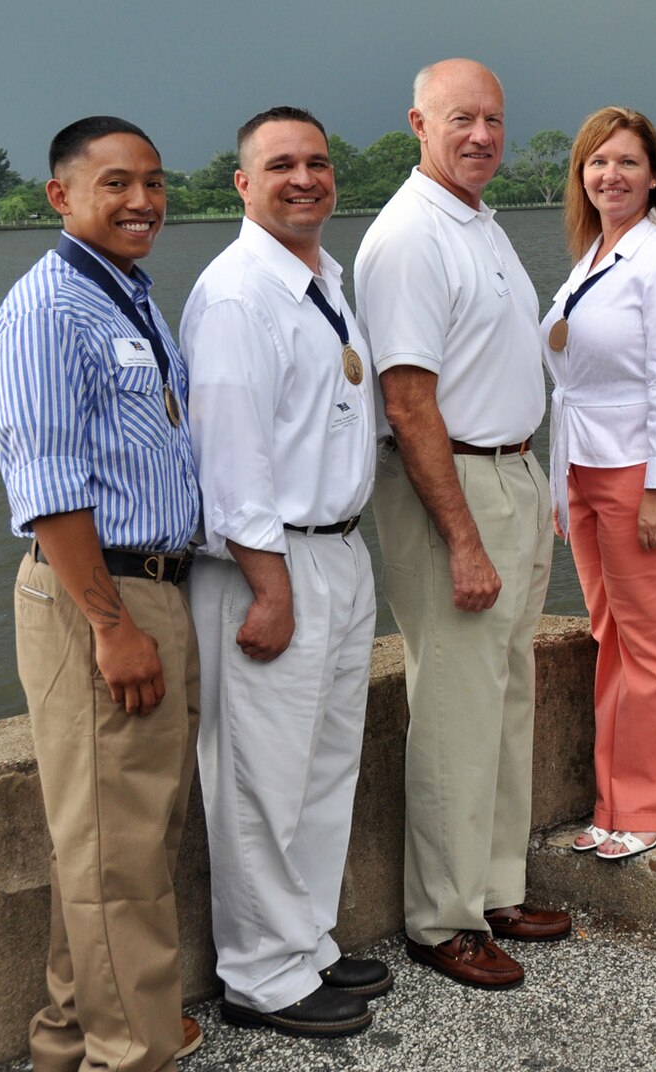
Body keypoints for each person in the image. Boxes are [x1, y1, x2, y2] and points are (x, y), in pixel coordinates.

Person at [0, 116, 204, 1070]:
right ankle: (133, 1054)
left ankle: (69, 1040)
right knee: (117, 858)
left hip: (151, 584)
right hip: (99, 596)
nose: (141, 202)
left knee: (122, 835)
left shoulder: (127, 298)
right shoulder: (45, 311)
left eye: (153, 182)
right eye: (115, 183)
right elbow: (49, 489)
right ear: (60, 196)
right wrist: (110, 626)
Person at [354, 59, 571, 990]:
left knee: (506, 691)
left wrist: (532, 490)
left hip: (509, 470)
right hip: (453, 488)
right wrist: (466, 538)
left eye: (493, 118)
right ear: (417, 122)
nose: (481, 135)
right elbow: (408, 404)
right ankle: (441, 918)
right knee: (454, 705)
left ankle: (494, 886)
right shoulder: (408, 237)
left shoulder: (477, 223)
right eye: (460, 119)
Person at [182, 108, 388, 1037]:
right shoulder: (236, 295)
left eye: (317, 161)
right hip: (272, 563)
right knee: (260, 777)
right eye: (280, 166)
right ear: (243, 183)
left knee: (322, 766)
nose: (304, 178)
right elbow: (229, 466)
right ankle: (261, 976)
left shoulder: (322, 279)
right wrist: (271, 587)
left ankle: (305, 941)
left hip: (338, 548)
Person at [540, 106, 656, 862]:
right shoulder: (593, 259)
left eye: (628, 163)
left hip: (645, 474)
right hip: (585, 468)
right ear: (582, 176)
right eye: (597, 162)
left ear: (654, 178)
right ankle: (617, 799)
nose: (611, 175)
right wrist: (559, 487)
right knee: (612, 635)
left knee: (652, 639)